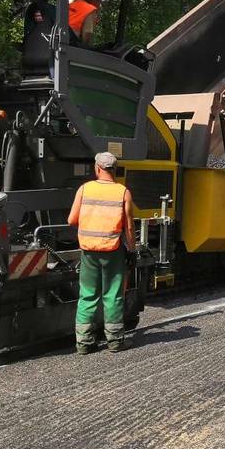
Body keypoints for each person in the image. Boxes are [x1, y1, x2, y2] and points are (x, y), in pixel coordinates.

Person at [67, 152, 135, 354]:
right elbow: (129, 228)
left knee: (87, 295)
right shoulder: (123, 192)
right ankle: (115, 341)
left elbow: (71, 220)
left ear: (97, 168)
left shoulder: (84, 189)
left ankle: (84, 343)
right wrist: (131, 250)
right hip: (113, 250)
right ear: (114, 170)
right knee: (113, 295)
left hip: (88, 250)